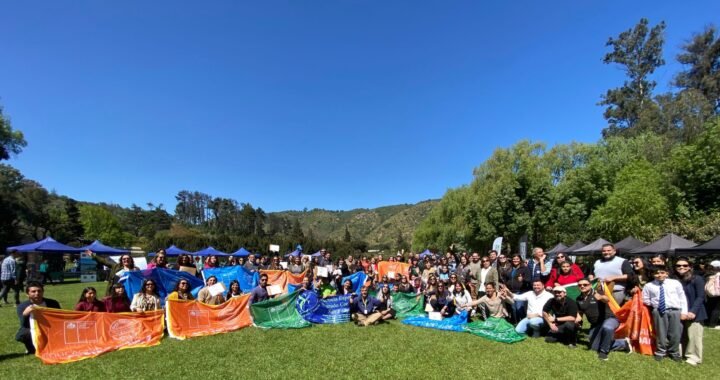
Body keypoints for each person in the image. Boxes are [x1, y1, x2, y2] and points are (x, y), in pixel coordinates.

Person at [575, 279, 629, 360]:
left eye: (585, 284)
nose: (582, 286)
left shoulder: (598, 292)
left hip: (609, 319)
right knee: (594, 347)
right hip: (595, 325)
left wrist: (600, 297)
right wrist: (577, 319)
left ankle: (604, 353)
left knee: (607, 327)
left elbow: (606, 299)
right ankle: (623, 343)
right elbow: (580, 312)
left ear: (590, 285)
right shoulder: (579, 299)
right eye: (580, 285)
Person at [642, 265, 687, 362]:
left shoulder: (675, 283)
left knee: (675, 332)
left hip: (675, 310)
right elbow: (645, 299)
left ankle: (674, 352)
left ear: (667, 273)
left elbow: (682, 297)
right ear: (653, 274)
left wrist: (684, 312)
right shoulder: (649, 286)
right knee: (661, 332)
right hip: (659, 311)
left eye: (662, 273)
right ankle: (660, 352)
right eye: (657, 273)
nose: (659, 275)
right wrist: (655, 305)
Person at [674, 257, 706, 366]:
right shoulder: (675, 280)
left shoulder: (697, 279)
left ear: (690, 267)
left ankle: (694, 357)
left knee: (694, 335)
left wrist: (693, 311)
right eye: (678, 265)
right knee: (683, 334)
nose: (681, 267)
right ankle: (682, 353)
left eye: (684, 265)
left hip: (695, 312)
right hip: (681, 311)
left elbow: (701, 296)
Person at [16, 281, 61, 354]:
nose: (37, 293)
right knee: (22, 335)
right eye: (33, 291)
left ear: (43, 292)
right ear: (27, 294)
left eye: (39, 291)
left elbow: (60, 317)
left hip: (51, 327)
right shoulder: (22, 306)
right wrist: (25, 314)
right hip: (33, 328)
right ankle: (32, 348)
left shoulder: (53, 303)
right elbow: (23, 324)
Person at [503, 254, 531, 322]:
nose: (515, 260)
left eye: (517, 259)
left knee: (519, 308)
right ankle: (516, 322)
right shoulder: (510, 268)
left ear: (520, 260)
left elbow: (529, 279)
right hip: (510, 291)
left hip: (520, 291)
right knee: (513, 308)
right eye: (514, 259)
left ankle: (524, 322)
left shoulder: (525, 268)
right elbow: (506, 279)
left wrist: (523, 279)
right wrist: (505, 286)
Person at [705, 260, 720, 328]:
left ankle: (707, 322)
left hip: (710, 294)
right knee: (717, 309)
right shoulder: (718, 275)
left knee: (710, 307)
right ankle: (712, 324)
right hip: (717, 294)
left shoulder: (710, 274)